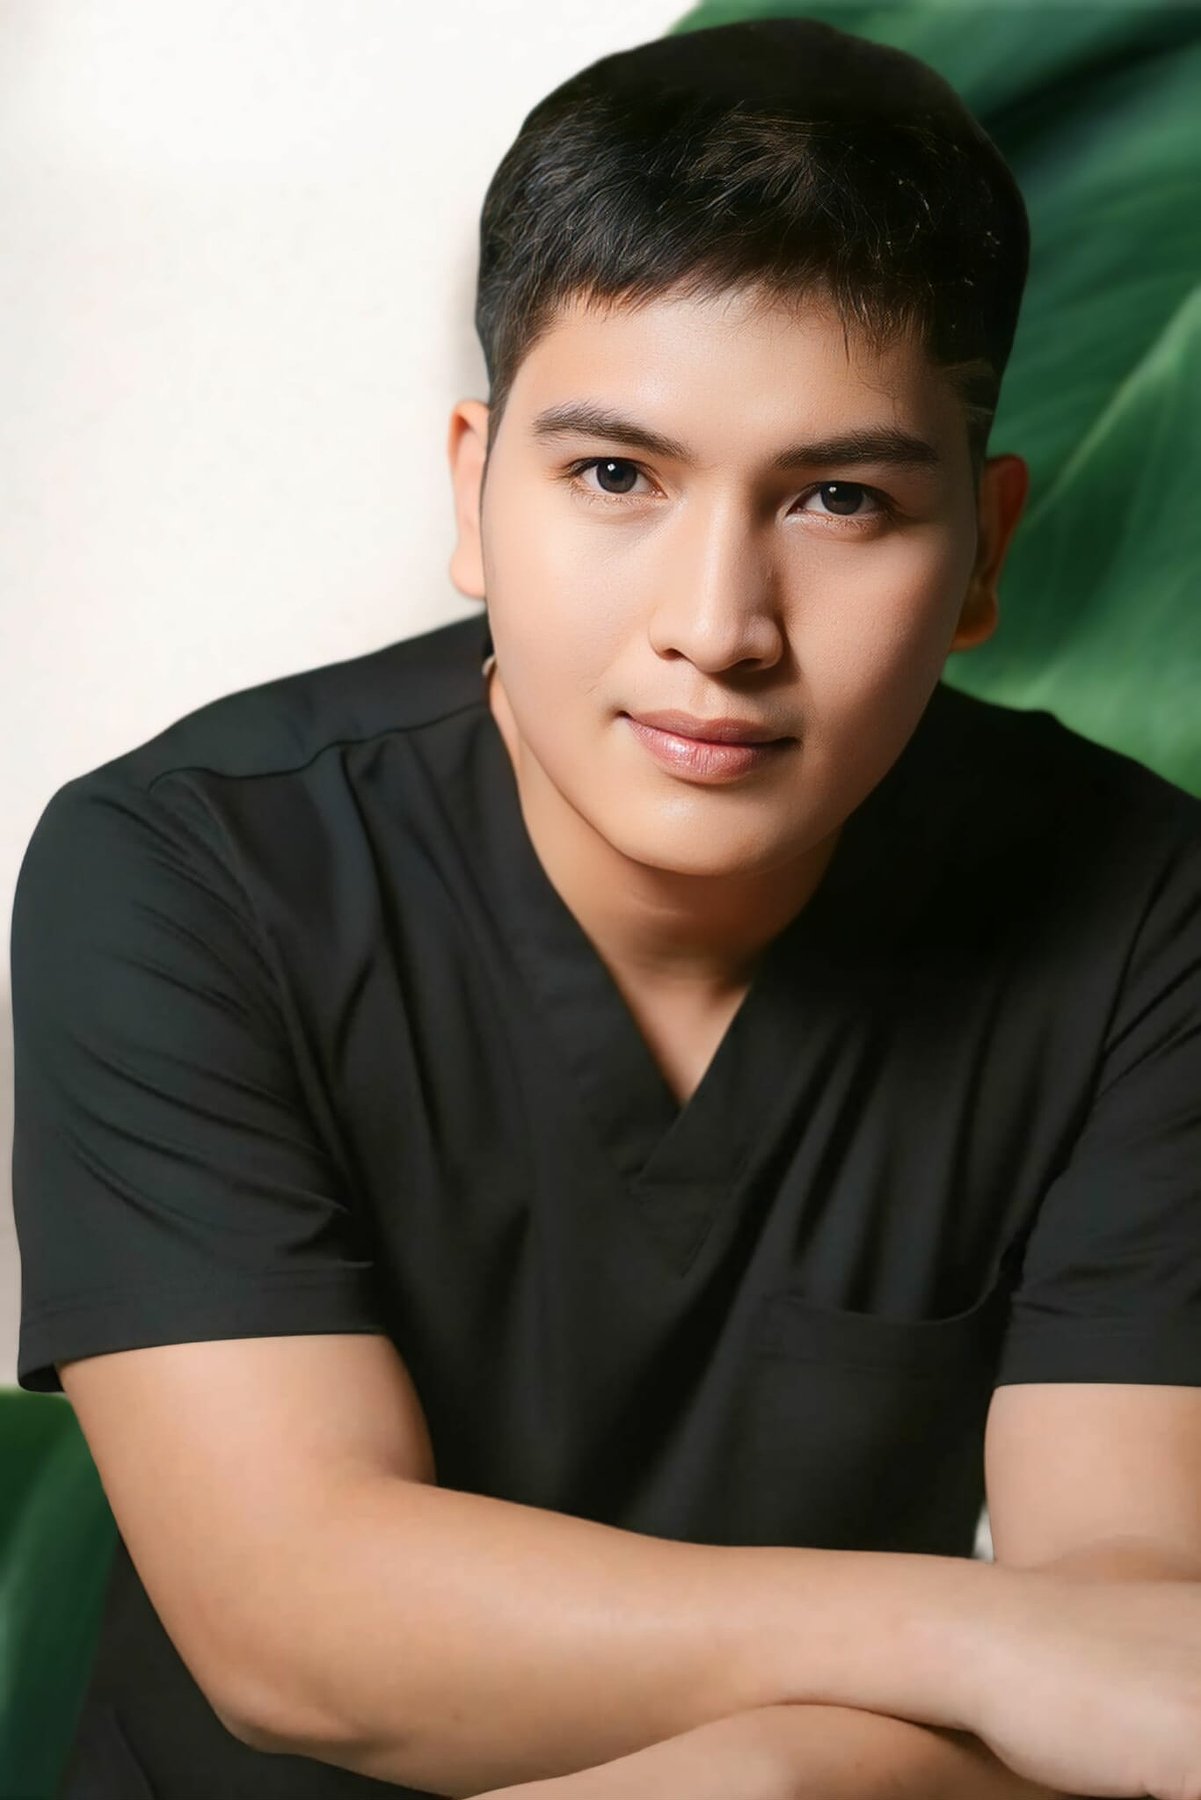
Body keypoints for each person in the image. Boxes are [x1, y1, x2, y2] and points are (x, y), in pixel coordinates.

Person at [11, 15, 1201, 1800]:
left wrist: (782, 1780)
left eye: (840, 498)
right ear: (473, 489)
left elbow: (1138, 1640)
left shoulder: (1142, 918)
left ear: (984, 550)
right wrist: (965, 1651)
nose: (716, 624)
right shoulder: (189, 870)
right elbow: (293, 1625)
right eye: (615, 476)